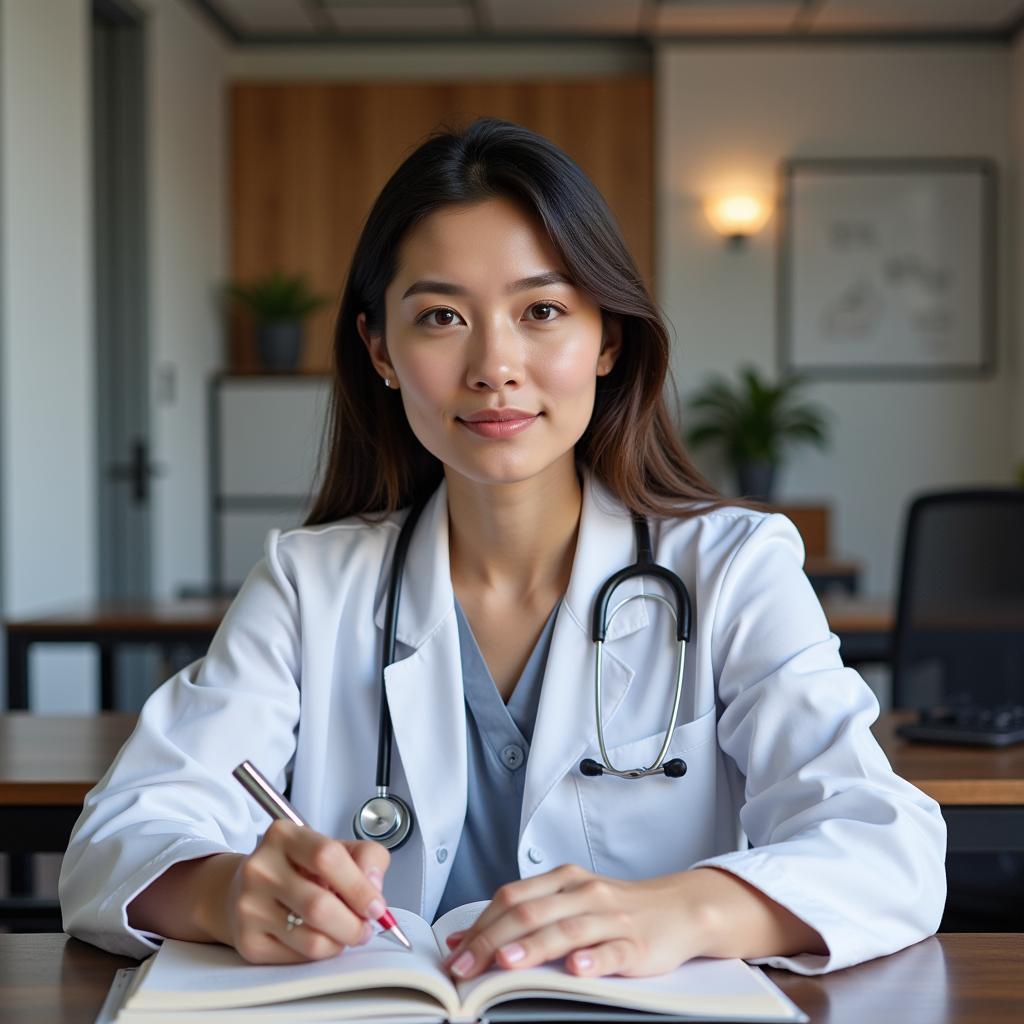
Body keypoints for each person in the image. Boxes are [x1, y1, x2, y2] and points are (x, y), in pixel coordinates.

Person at [59, 117, 946, 980]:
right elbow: (119, 836)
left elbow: (887, 844)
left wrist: (684, 910)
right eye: (442, 316)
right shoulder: (308, 584)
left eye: (544, 310)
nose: (495, 364)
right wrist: (224, 894)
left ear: (608, 339)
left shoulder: (734, 568)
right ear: (380, 350)